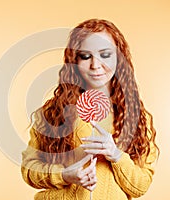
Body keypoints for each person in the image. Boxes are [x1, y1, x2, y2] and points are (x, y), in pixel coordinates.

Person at [21, 18, 159, 200]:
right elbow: (29, 170)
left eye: (105, 54)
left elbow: (140, 186)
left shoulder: (136, 117)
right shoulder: (52, 113)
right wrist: (64, 175)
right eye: (86, 56)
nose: (96, 65)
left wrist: (116, 155)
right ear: (74, 60)